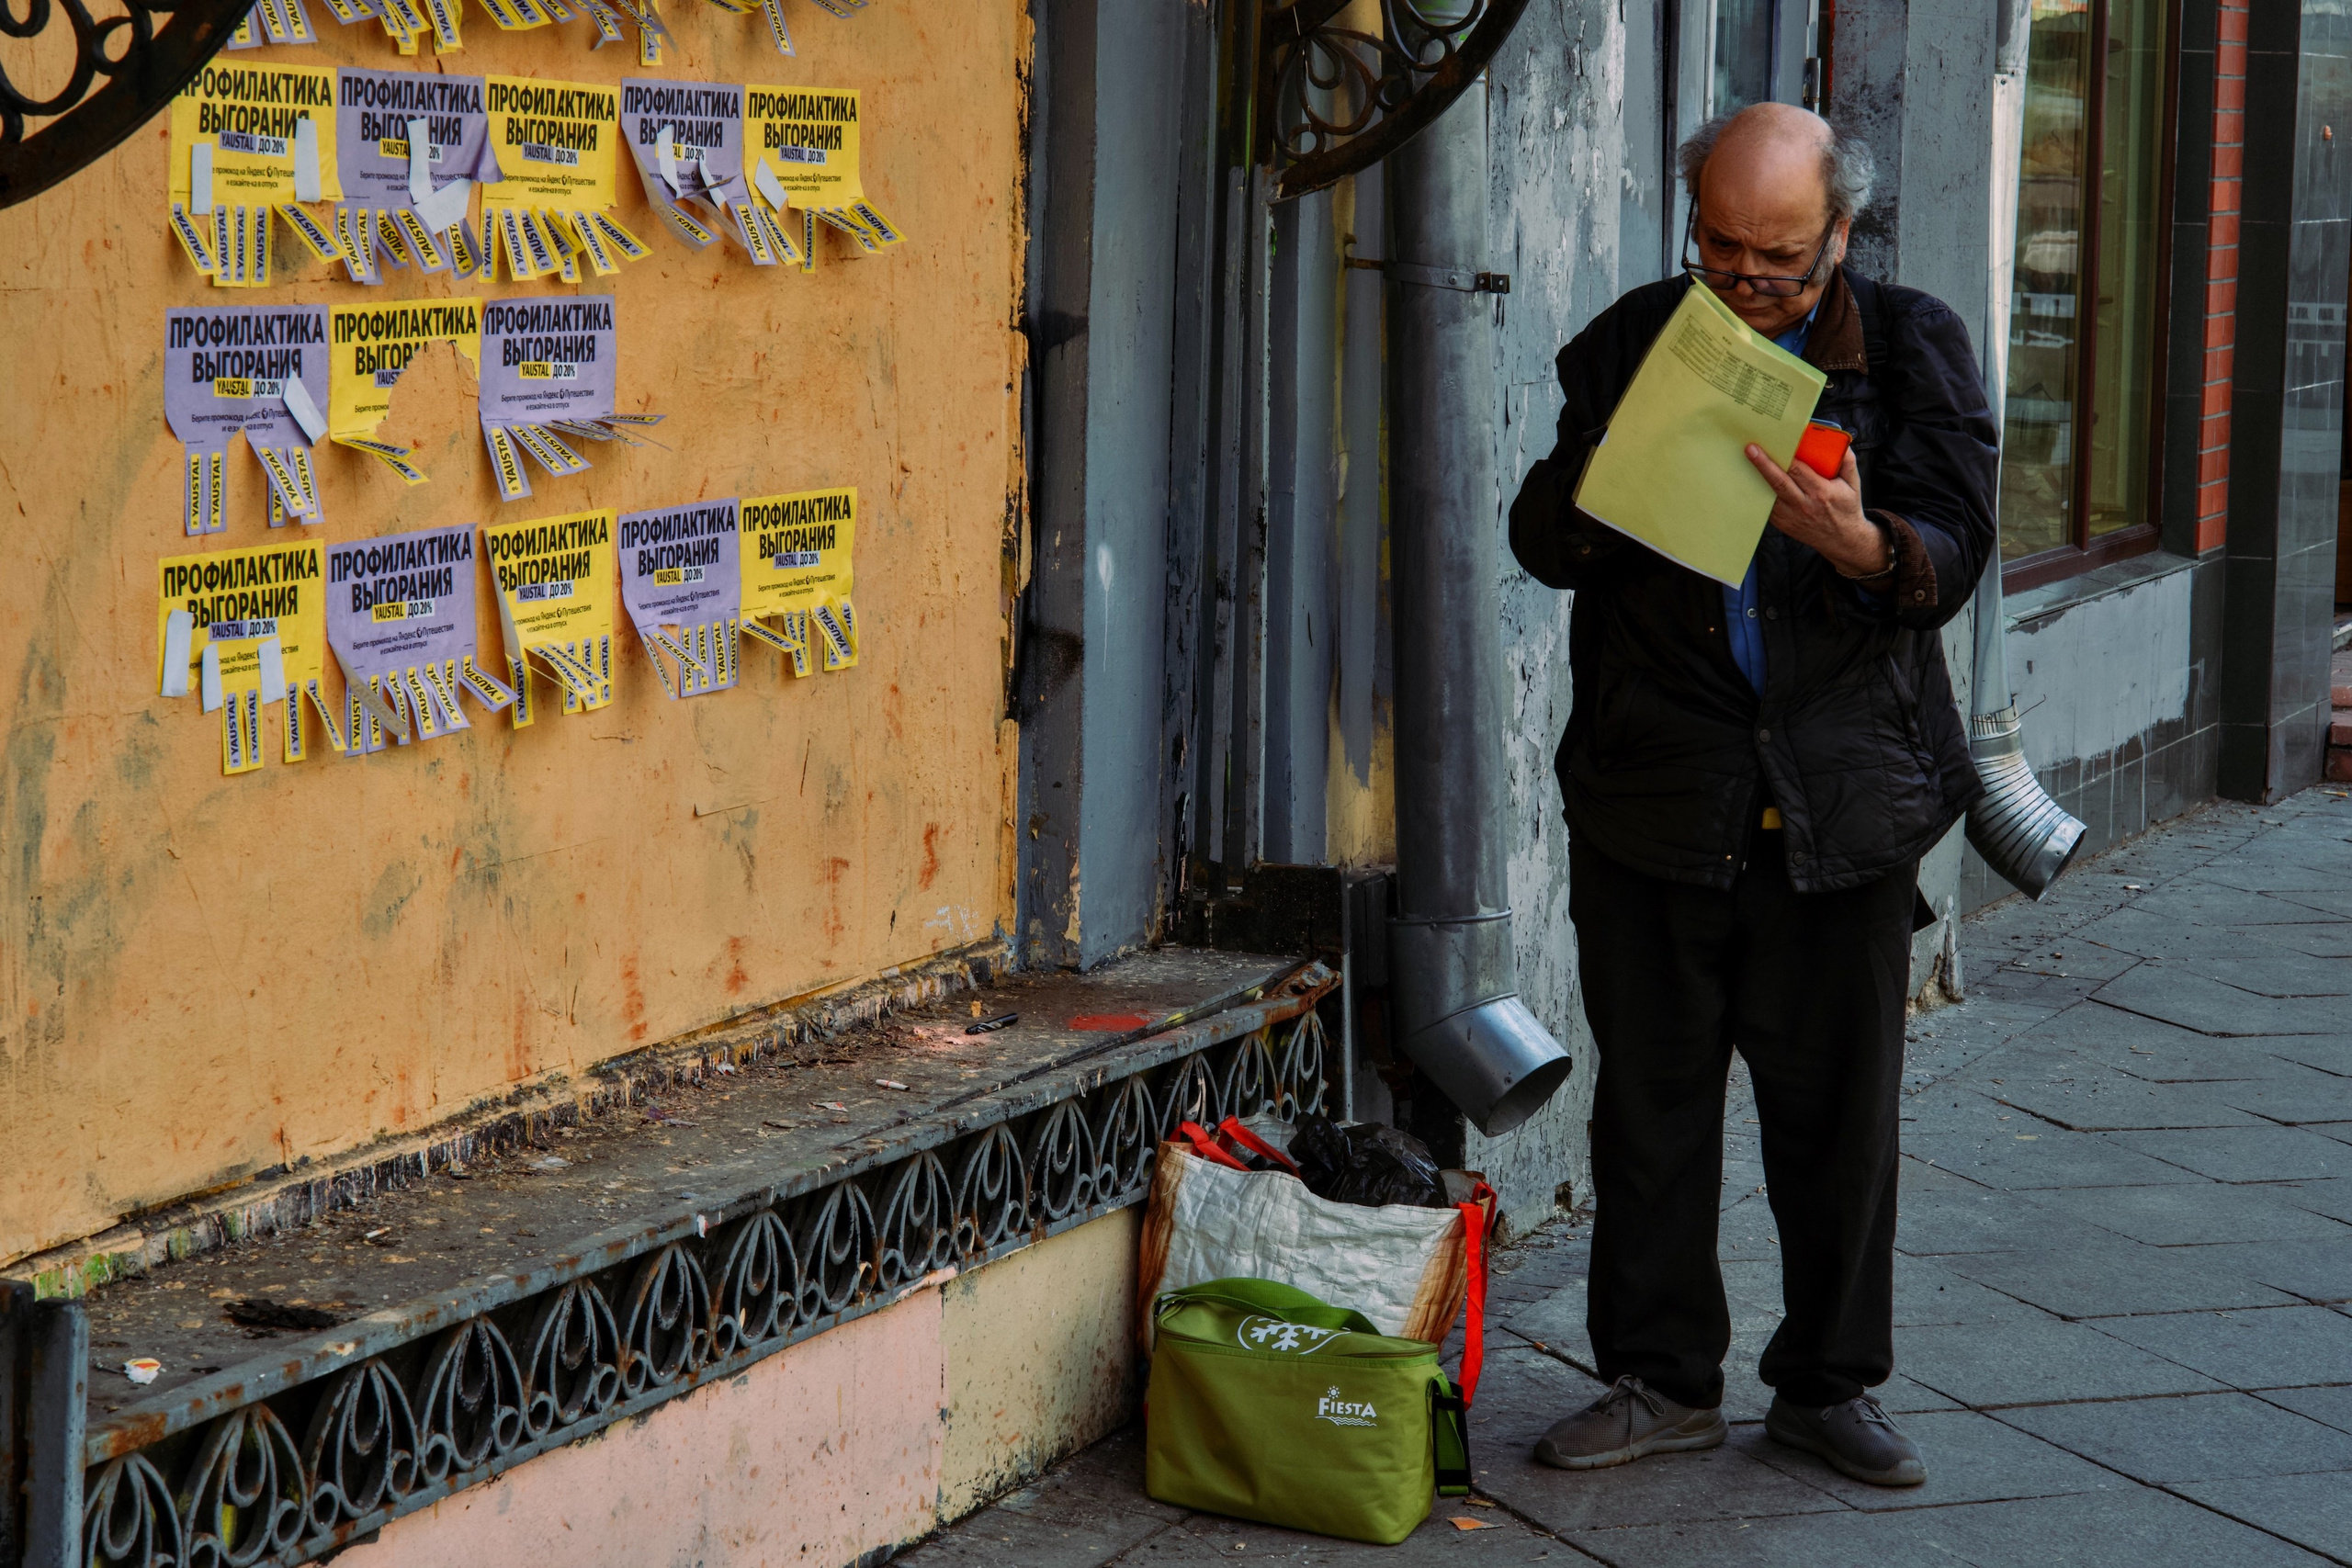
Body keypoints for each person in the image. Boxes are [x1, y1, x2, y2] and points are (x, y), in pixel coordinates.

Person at [1510, 103, 1997, 1487]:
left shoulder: (1909, 348)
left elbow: (1954, 548)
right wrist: (1612, 482)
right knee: (1650, 1112)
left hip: (1839, 798)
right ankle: (1659, 1377)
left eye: (1779, 261)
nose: (1748, 282)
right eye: (1722, 252)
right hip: (1658, 792)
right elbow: (1541, 540)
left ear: (1840, 234)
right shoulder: (1631, 339)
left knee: (1839, 1122)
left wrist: (1864, 543)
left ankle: (1830, 1386)